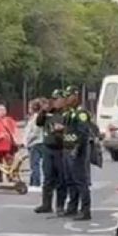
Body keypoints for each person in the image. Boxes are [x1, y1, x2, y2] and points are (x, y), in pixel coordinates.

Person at [34, 90, 68, 215]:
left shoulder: (67, 114)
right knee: (48, 178)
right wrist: (43, 111)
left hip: (61, 149)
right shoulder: (49, 113)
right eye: (54, 99)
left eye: (58, 99)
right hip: (48, 148)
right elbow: (38, 123)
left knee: (61, 179)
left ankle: (60, 206)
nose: (55, 101)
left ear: (63, 100)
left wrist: (62, 130)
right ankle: (46, 204)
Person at [61, 86, 93, 221]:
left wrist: (76, 149)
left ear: (76, 96)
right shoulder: (69, 113)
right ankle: (72, 207)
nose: (66, 99)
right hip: (67, 149)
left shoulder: (81, 113)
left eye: (69, 96)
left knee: (80, 181)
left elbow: (83, 133)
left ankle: (85, 211)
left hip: (77, 151)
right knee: (70, 181)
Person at [0, 103, 19, 181]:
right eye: (0, 110)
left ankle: (10, 177)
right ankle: (0, 178)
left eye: (3, 110)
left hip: (9, 146)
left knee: (10, 162)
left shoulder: (10, 120)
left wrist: (16, 139)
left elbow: (15, 131)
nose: (2, 111)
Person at [24, 99, 45, 188]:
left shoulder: (36, 117)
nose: (29, 109)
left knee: (34, 164)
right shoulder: (34, 117)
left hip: (35, 143)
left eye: (30, 107)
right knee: (34, 164)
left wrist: (28, 141)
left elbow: (35, 132)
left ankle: (35, 182)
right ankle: (33, 181)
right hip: (36, 142)